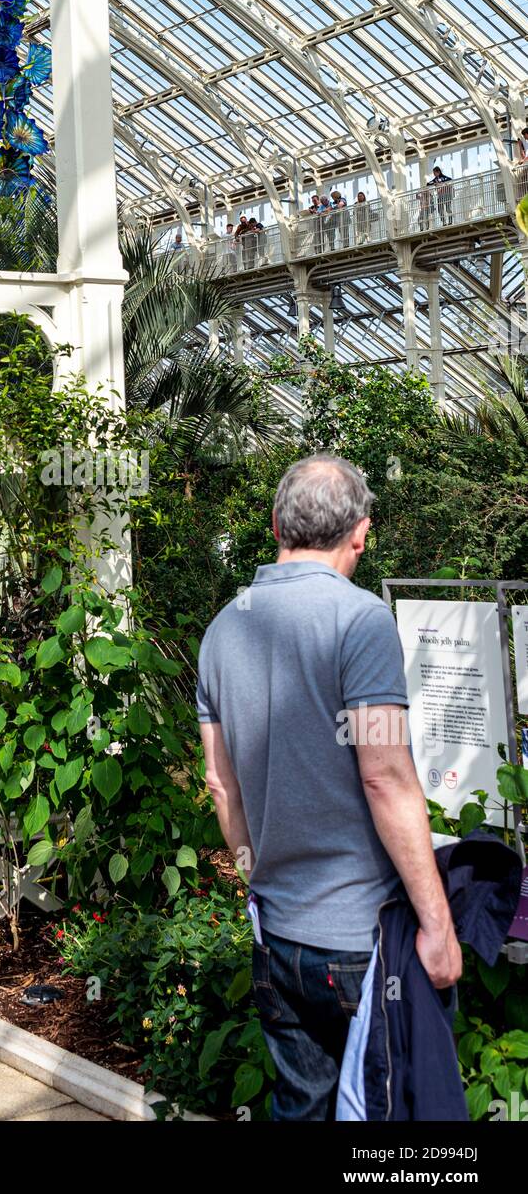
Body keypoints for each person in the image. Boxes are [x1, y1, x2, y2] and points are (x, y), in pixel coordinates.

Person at [197, 455, 462, 1122]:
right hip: (359, 944)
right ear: (361, 534)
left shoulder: (223, 629)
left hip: (276, 938)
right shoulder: (360, 621)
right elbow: (383, 776)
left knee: (301, 1109)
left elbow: (219, 787)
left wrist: (256, 881)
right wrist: (436, 924)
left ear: (274, 522)